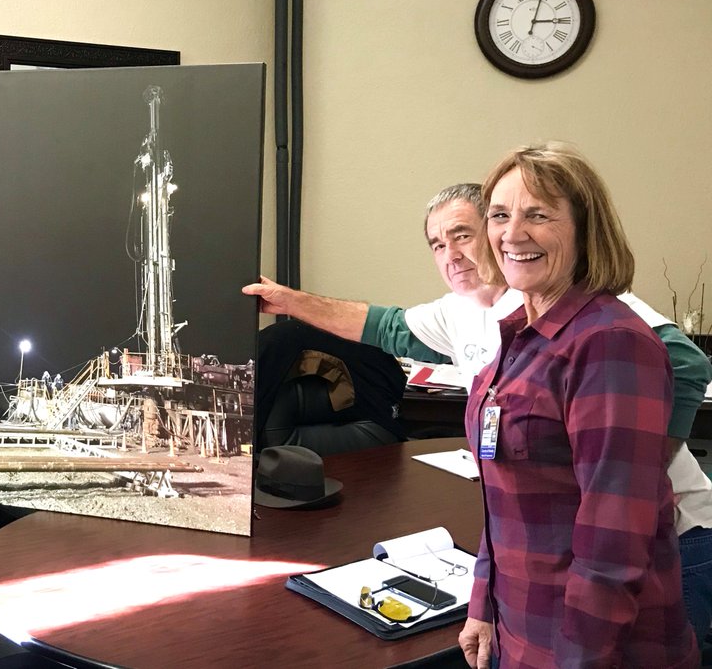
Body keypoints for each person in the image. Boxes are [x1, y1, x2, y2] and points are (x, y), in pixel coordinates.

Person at [244, 180, 712, 644]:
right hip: (560, 545)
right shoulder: (461, 311)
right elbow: (382, 326)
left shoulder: (564, 297)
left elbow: (688, 363)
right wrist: (289, 301)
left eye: (462, 235)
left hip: (671, 536)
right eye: (437, 244)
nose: (451, 254)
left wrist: (640, 475)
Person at [456, 146, 697, 666]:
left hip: (594, 645)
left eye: (538, 215)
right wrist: (483, 605)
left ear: (585, 230)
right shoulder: (521, 335)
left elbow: (615, 537)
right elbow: (504, 499)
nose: (512, 234)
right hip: (520, 627)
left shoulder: (609, 342)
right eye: (499, 215)